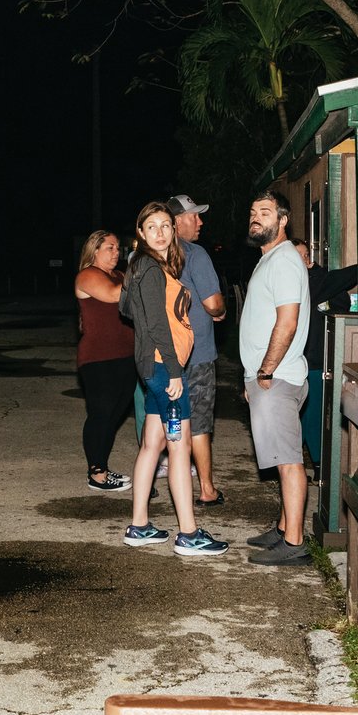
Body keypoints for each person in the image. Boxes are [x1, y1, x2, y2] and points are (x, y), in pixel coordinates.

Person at [118, 202, 228, 556]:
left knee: (153, 443)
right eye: (153, 227)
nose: (162, 233)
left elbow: (125, 308)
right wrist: (175, 371)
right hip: (166, 370)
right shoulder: (150, 268)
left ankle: (139, 525)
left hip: (152, 368)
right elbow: (156, 326)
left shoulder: (143, 266)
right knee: (179, 448)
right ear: (141, 232)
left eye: (166, 225)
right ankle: (188, 533)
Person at [240, 191, 312, 566]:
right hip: (270, 377)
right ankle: (285, 528)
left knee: (287, 462)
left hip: (278, 377)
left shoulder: (283, 262)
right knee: (284, 457)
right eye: (253, 212)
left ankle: (295, 544)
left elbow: (288, 321)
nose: (256, 218)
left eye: (264, 212)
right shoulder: (270, 259)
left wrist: (265, 370)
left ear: (282, 220)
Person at [168, 195, 227, 507]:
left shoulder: (150, 255)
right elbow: (213, 303)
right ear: (177, 222)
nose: (200, 222)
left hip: (161, 354)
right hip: (197, 353)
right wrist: (220, 309)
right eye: (194, 216)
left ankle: (156, 482)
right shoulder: (195, 254)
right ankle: (206, 489)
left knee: (164, 420)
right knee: (200, 421)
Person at [292, 238, 358, 476]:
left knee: (315, 412)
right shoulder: (295, 282)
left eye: (305, 254)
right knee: (298, 412)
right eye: (298, 255)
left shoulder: (317, 278)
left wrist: (324, 303)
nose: (305, 258)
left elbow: (341, 302)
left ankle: (317, 463)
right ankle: (298, 461)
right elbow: (329, 286)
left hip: (317, 358)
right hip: (296, 359)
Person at [74, 230, 135, 492]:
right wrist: (142, 268)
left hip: (126, 355)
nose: (116, 252)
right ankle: (96, 473)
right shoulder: (87, 275)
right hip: (98, 359)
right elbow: (113, 295)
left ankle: (104, 468)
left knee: (114, 415)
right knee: (100, 415)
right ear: (94, 250)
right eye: (110, 247)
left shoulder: (121, 276)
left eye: (117, 247)